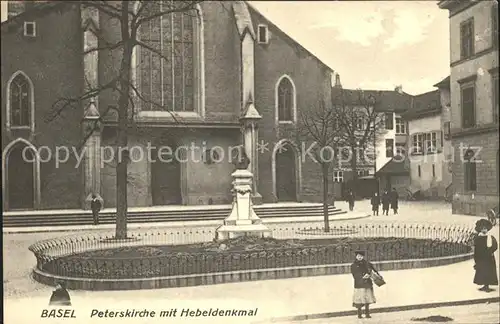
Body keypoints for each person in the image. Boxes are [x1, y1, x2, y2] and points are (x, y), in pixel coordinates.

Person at [351, 251, 380, 319]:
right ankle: (359, 314)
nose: (359, 257)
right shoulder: (353, 265)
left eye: (361, 256)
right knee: (359, 300)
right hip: (359, 284)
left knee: (367, 299)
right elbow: (354, 274)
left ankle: (367, 314)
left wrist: (371, 275)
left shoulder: (367, 263)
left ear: (363, 256)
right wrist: (362, 277)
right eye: (358, 256)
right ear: (356, 256)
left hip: (367, 283)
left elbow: (373, 270)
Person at [473, 219, 498, 292]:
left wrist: (490, 251)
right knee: (482, 271)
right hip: (481, 258)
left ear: (487, 229)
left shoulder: (490, 237)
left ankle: (487, 285)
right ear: (480, 229)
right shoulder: (478, 238)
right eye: (483, 228)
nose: (484, 230)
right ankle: (484, 285)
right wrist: (476, 259)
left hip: (489, 258)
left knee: (488, 271)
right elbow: (476, 249)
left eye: (485, 228)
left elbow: (495, 246)